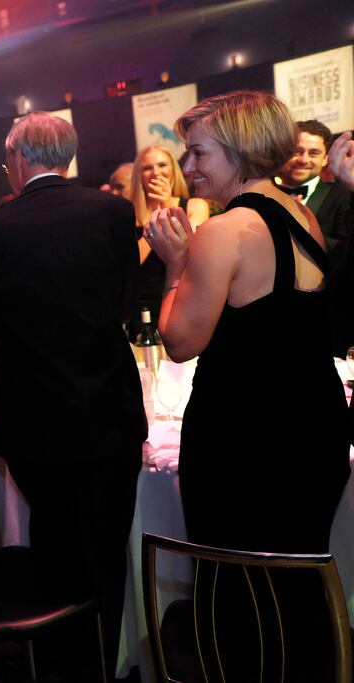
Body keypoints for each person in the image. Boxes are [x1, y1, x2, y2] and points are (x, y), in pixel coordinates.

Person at [145, 91, 350, 678]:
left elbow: (180, 342)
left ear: (239, 150)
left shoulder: (225, 230)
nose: (188, 168)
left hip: (246, 442)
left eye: (198, 152)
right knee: (296, 585)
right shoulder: (302, 214)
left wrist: (174, 265)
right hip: (315, 427)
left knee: (240, 593)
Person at [0, 112, 146, 678]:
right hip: (108, 414)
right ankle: (108, 663)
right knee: (106, 554)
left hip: (37, 423)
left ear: (19, 157)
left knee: (55, 552)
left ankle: (62, 666)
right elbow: (124, 301)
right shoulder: (115, 212)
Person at [129, 144, 209, 336]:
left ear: (173, 169)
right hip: (142, 304)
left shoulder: (194, 205)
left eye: (162, 165)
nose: (156, 172)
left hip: (182, 298)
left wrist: (165, 207)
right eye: (147, 168)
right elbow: (130, 263)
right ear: (139, 175)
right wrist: (153, 217)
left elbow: (188, 249)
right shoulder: (129, 213)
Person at [277, 119, 351, 259]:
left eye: (313, 153)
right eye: (297, 151)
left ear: (325, 160)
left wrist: (298, 226)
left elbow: (345, 251)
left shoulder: (342, 195)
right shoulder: (260, 193)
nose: (303, 160)